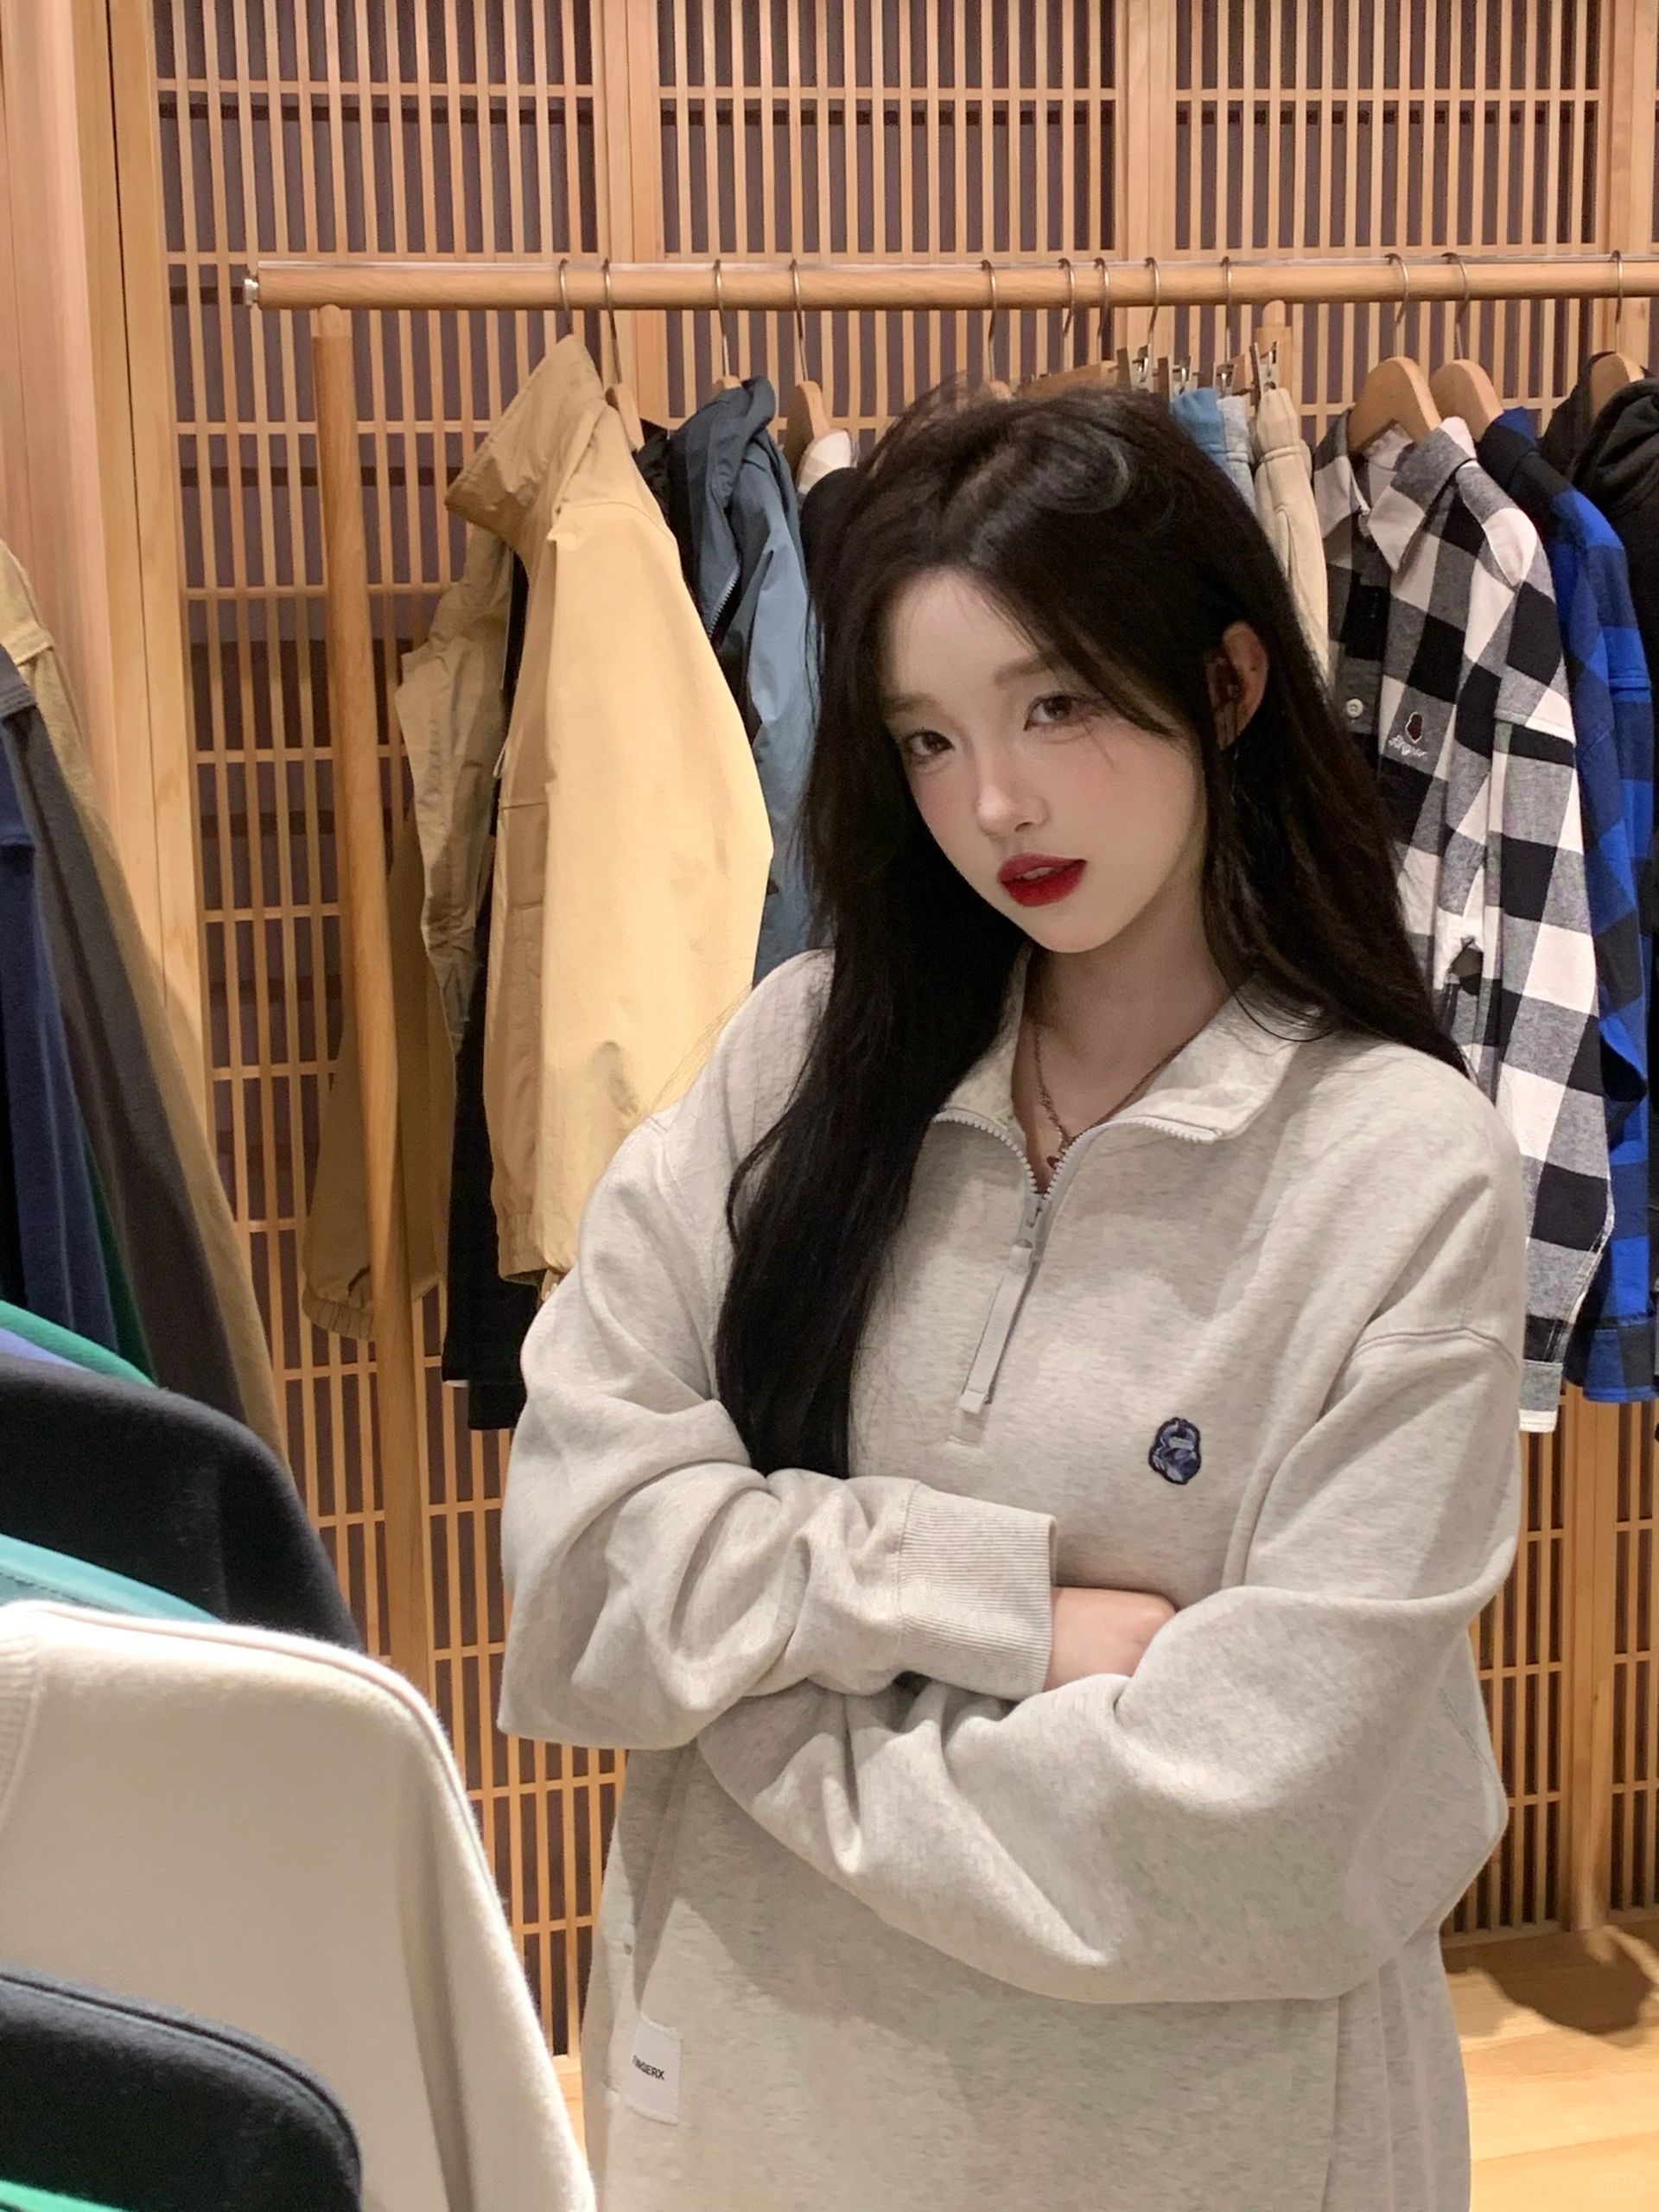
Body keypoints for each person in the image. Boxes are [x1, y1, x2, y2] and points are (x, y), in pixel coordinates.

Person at [498, 387, 1526, 2212]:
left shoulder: (1399, 1172)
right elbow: (580, 1570)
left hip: (1203, 2155)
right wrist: (999, 1609)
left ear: (1227, 683)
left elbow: (1245, 1828)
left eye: (1055, 705)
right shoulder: (798, 1064)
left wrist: (741, 1715)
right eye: (927, 737)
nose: (994, 803)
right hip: (745, 2119)